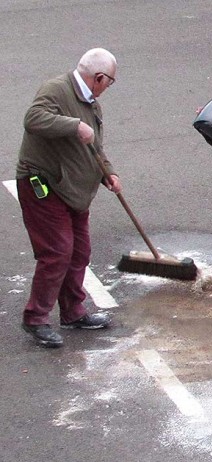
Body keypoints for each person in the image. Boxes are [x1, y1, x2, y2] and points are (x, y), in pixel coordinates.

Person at [16, 48, 121, 348]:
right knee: (57, 251)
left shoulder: (92, 105)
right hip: (45, 184)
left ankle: (73, 312)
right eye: (109, 81)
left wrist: (108, 173)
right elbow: (33, 119)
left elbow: (94, 147)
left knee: (79, 252)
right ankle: (36, 319)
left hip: (74, 190)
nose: (108, 87)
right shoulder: (56, 90)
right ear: (98, 77)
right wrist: (74, 125)